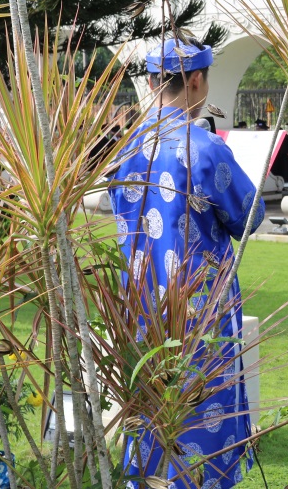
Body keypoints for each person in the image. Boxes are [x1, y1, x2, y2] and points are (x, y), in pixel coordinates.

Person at [111, 38, 262, 488]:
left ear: (154, 81)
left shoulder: (127, 147)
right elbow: (247, 218)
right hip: (197, 308)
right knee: (203, 405)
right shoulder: (205, 148)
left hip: (139, 307)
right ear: (196, 80)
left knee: (149, 401)